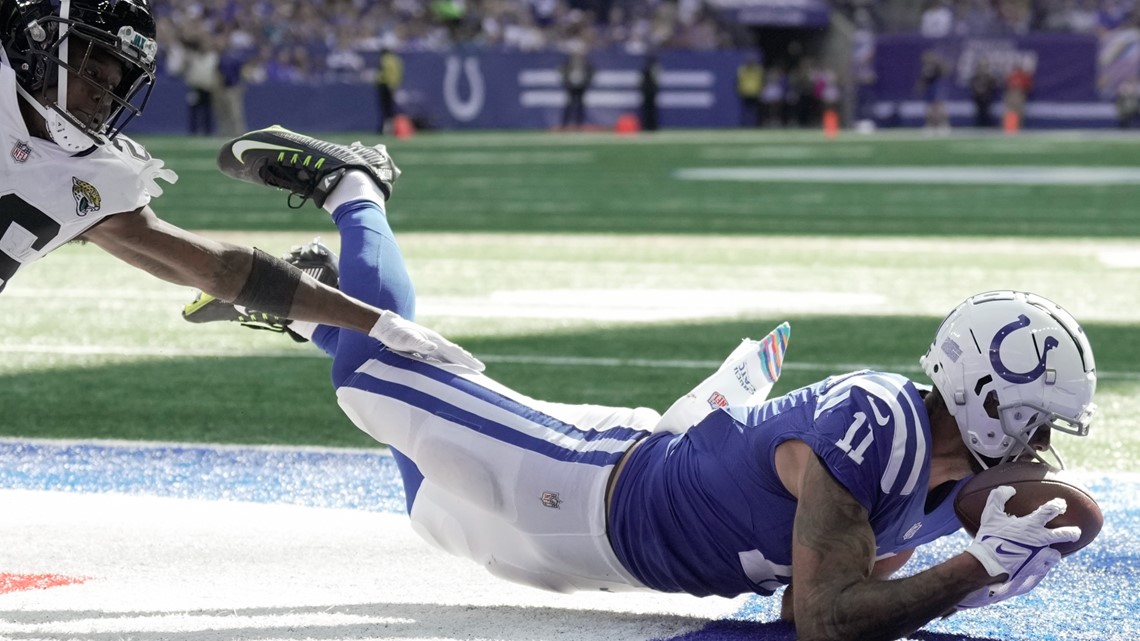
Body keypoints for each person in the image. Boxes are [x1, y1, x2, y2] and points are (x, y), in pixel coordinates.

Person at [196, 123, 1098, 641]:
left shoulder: (937, 482)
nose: (1039, 448)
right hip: (582, 479)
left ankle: (315, 301)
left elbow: (833, 597)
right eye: (1034, 421)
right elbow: (826, 620)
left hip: (595, 554)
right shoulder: (878, 420)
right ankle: (358, 186)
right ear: (983, 392)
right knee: (375, 377)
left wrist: (983, 573)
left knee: (424, 490)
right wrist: (974, 568)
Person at [0, 1, 457, 367]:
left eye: (116, 82)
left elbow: (215, 269)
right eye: (92, 73)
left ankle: (352, 190)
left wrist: (377, 323)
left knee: (374, 393)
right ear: (37, 51)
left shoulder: (89, 173)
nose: (103, 95)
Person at [559, 49, 593, 130]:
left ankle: (579, 124)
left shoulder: (585, 63)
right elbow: (562, 71)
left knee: (580, 106)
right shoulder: (568, 63)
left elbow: (591, 72)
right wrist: (567, 82)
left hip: (582, 87)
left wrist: (586, 82)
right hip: (570, 87)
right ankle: (565, 124)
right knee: (569, 105)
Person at [375, 47, 403, 134]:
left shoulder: (385, 60)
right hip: (392, 86)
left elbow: (384, 74)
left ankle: (387, 129)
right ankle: (390, 128)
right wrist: (395, 85)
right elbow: (398, 74)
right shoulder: (396, 60)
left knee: (386, 109)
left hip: (385, 85)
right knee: (390, 109)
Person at [736, 53, 763, 127]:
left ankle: (755, 123)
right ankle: (745, 124)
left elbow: (761, 80)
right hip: (745, 92)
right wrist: (739, 89)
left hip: (755, 92)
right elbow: (738, 81)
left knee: (755, 110)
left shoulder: (758, 70)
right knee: (745, 110)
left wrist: (760, 89)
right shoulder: (742, 70)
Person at [638, 54, 660, 132]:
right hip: (649, 93)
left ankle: (650, 126)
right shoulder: (653, 68)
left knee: (649, 111)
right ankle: (650, 126)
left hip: (649, 93)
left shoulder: (649, 69)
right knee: (649, 111)